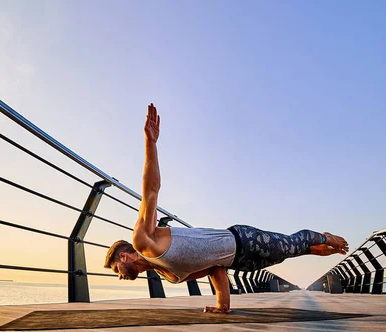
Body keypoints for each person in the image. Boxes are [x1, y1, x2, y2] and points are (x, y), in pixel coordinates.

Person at [104, 104, 349, 314]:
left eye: (116, 269)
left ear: (124, 256)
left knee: (290, 244)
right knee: (288, 253)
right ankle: (313, 248)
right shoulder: (168, 275)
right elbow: (213, 267)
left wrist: (150, 142)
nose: (119, 275)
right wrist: (223, 305)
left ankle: (324, 236)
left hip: (244, 239)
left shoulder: (143, 240)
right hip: (239, 262)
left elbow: (151, 191)